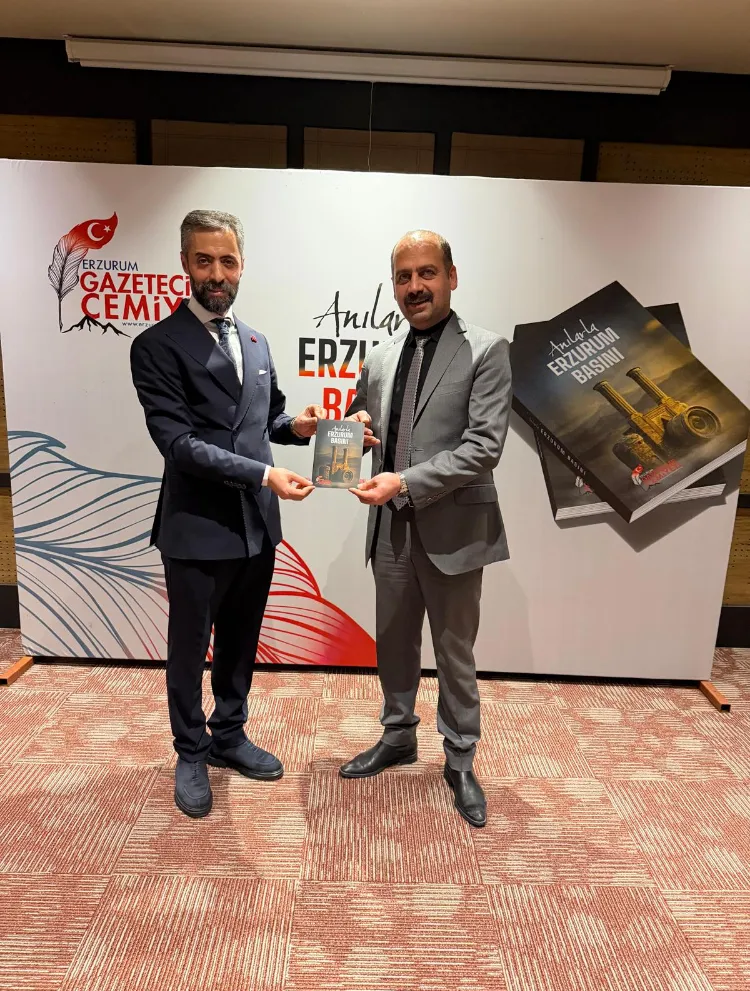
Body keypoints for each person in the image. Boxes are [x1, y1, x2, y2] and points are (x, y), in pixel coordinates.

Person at [130, 209, 321, 819]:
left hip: (255, 526)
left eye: (228, 261)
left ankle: (229, 734)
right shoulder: (156, 346)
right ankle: (191, 750)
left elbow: (266, 421)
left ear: (242, 266)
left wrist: (298, 427)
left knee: (241, 640)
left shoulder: (257, 342)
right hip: (197, 526)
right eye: (205, 260)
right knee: (190, 648)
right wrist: (265, 474)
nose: (217, 273)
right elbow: (179, 445)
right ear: (185, 264)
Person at [343, 229, 512, 827]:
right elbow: (367, 422)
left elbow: (483, 448)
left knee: (454, 651)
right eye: (404, 277)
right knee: (393, 641)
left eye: (426, 273)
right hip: (390, 529)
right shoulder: (381, 355)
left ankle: (460, 758)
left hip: (454, 531)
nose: (415, 286)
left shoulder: (487, 350)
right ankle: (398, 736)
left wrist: (405, 481)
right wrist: (357, 428)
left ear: (451, 277)